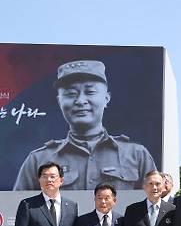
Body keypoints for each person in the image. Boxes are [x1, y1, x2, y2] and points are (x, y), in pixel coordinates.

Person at [14, 60, 157, 190]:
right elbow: (18, 209)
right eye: (70, 94)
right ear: (59, 101)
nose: (81, 101)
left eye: (90, 92)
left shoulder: (136, 155)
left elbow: (153, 204)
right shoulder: (38, 160)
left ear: (106, 98)